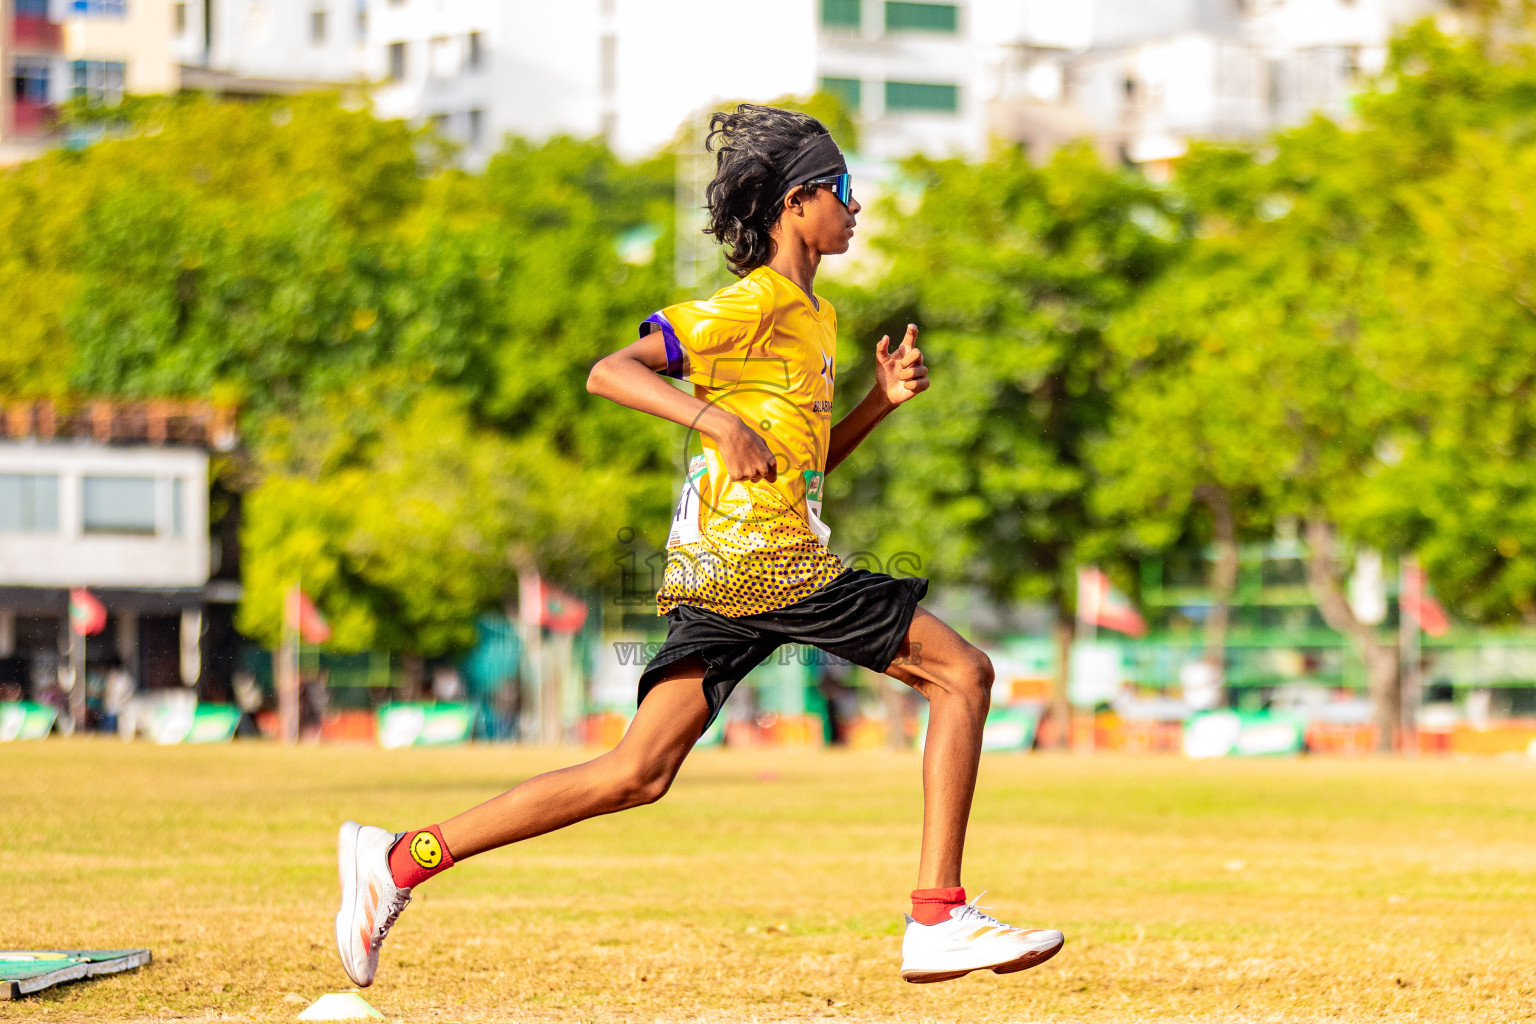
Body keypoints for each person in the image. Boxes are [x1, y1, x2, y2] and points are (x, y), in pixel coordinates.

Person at [333, 103, 1063, 990]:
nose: (856, 208)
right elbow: (613, 371)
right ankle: (938, 917)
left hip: (729, 565)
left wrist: (877, 404)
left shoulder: (816, 318)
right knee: (965, 672)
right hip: (761, 559)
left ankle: (399, 861)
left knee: (638, 773)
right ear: (797, 203)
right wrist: (712, 419)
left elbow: (804, 460)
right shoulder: (755, 301)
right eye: (843, 190)